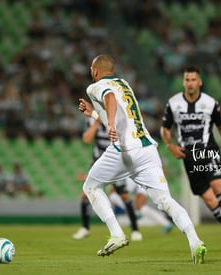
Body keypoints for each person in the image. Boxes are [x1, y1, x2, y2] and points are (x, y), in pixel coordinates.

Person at [78, 54, 206, 264]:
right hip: (147, 149)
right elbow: (119, 111)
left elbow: (109, 98)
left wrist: (109, 124)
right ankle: (195, 241)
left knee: (91, 187)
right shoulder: (125, 85)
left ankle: (117, 234)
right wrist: (94, 114)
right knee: (165, 201)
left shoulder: (94, 87)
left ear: (95, 71)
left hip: (124, 150)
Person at [160, 66, 221, 250]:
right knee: (209, 200)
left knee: (218, 186)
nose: (190, 83)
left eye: (193, 80)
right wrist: (170, 146)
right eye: (187, 80)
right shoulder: (173, 103)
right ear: (183, 82)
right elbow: (165, 129)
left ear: (199, 82)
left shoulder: (210, 103)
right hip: (188, 156)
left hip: (208, 151)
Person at [73, 116, 142, 241]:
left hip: (115, 161)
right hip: (98, 162)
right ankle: (85, 228)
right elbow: (87, 139)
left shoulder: (118, 117)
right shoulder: (91, 119)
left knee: (124, 196)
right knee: (85, 195)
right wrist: (96, 123)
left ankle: (135, 230)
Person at [108, 178, 174, 233]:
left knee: (141, 207)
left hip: (143, 184)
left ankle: (166, 224)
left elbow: (125, 192)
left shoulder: (126, 179)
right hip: (138, 185)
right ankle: (135, 213)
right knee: (113, 195)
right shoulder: (122, 178)